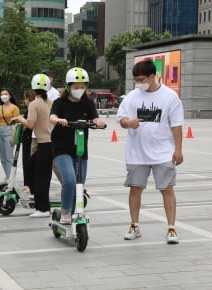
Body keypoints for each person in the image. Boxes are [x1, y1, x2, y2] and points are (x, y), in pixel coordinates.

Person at [117, 59, 184, 244]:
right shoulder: (132, 96)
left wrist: (178, 150)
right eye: (136, 80)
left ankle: (171, 229)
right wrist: (128, 123)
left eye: (141, 79)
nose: (138, 83)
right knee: (135, 188)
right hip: (137, 153)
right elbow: (121, 118)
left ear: (152, 76)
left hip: (163, 152)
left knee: (167, 189)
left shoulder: (170, 97)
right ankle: (134, 225)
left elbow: (177, 126)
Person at [50, 67, 105, 224]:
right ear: (68, 86)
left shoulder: (87, 103)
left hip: (80, 147)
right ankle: (65, 211)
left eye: (82, 87)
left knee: (79, 182)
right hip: (61, 146)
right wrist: (58, 120)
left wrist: (99, 122)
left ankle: (74, 213)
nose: (79, 90)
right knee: (70, 179)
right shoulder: (59, 102)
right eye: (76, 87)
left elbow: (95, 118)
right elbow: (52, 116)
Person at [11, 74, 53, 218]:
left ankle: (42, 209)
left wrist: (18, 119)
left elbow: (30, 124)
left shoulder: (34, 103)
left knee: (40, 177)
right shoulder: (50, 102)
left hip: (44, 143)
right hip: (50, 143)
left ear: (34, 88)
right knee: (31, 167)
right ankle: (41, 204)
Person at [0, 88, 20, 181]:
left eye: (5, 94)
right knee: (2, 157)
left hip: (9, 130)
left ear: (10, 96)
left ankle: (11, 177)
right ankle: (7, 175)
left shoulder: (14, 107)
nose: (3, 96)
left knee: (9, 156)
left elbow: (16, 123)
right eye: (1, 94)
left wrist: (14, 136)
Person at [20, 91, 35, 193]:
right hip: (27, 138)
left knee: (27, 161)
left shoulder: (31, 109)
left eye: (26, 99)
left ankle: (28, 184)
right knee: (27, 161)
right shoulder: (30, 109)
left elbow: (28, 124)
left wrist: (20, 121)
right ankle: (27, 183)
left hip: (30, 138)